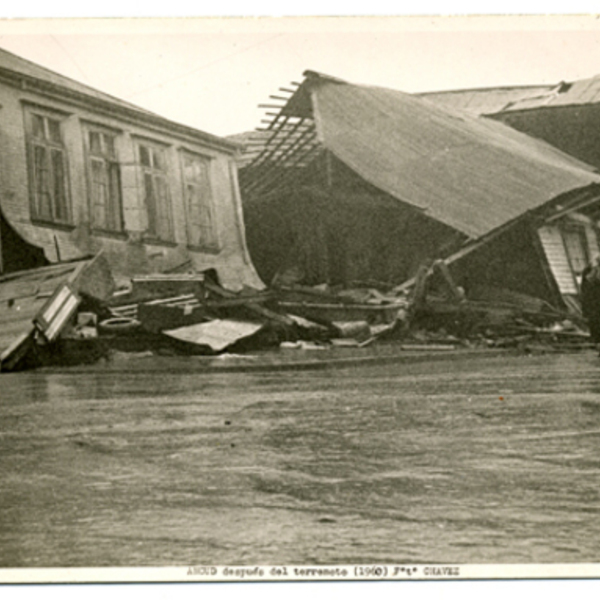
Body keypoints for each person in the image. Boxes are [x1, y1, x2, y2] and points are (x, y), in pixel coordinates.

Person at [580, 256, 600, 352]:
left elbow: (584, 290)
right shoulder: (590, 270)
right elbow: (584, 290)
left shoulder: (589, 270)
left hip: (592, 305)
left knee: (595, 326)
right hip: (594, 305)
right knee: (596, 326)